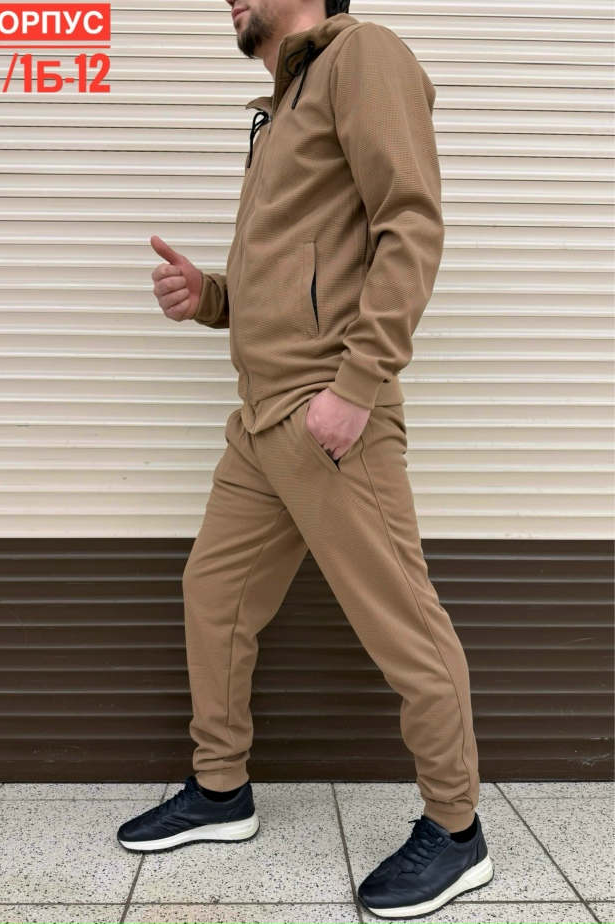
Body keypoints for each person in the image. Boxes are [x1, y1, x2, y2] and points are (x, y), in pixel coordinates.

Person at [117, 0, 495, 916]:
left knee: (402, 625)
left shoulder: (362, 55)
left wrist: (358, 386)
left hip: (328, 414)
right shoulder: (279, 106)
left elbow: (411, 222)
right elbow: (289, 274)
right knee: (215, 593)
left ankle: (457, 832)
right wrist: (210, 296)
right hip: (261, 419)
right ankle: (222, 790)